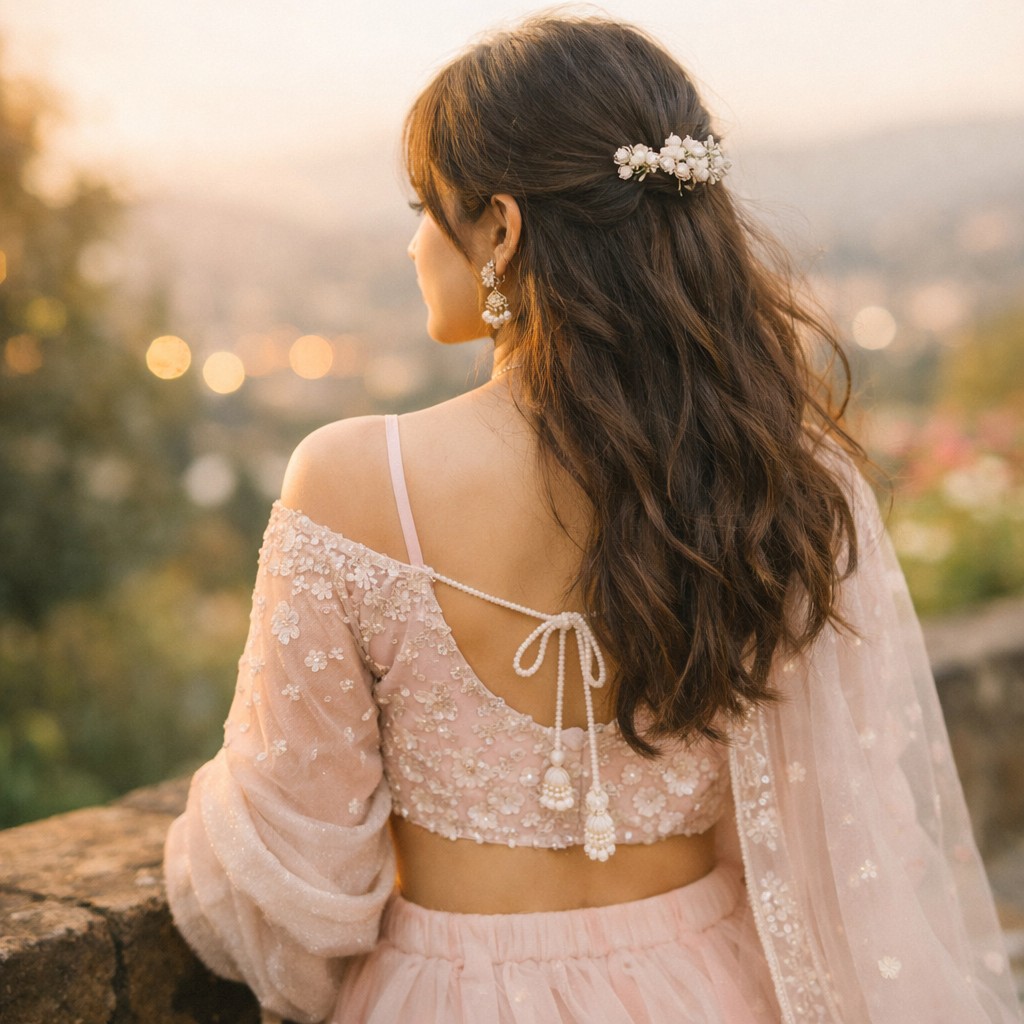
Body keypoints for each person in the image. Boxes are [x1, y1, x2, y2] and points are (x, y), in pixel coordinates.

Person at [163, 14, 1021, 1024]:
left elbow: (291, 865)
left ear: (501, 229)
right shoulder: (772, 472)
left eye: (423, 208)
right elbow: (835, 818)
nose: (408, 242)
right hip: (716, 989)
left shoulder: (353, 478)